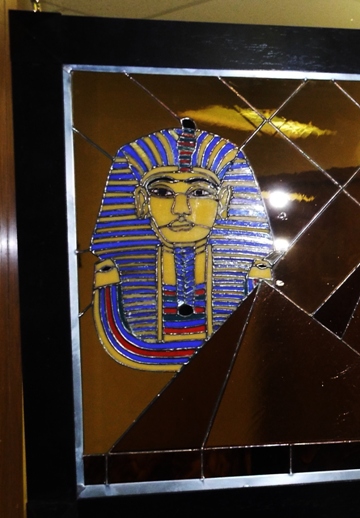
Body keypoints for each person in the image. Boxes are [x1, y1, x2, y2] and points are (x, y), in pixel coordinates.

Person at [90, 118, 275, 371]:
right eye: (162, 192)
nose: (181, 210)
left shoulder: (253, 277)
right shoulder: (111, 280)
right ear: (141, 201)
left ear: (224, 200)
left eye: (199, 193)